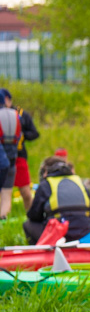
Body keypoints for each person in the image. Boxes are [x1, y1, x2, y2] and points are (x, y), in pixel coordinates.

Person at [24, 156, 90, 244]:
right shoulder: (79, 182)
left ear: (46, 171)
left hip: (59, 236)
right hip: (85, 232)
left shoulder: (46, 185)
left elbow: (34, 215)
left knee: (28, 225)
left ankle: (40, 253)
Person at [0, 89, 40, 212]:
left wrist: (21, 135)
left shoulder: (21, 114)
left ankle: (32, 215)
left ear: (9, 99)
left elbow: (35, 133)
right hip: (4, 158)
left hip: (19, 156)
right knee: (5, 193)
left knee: (25, 191)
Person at [0, 91, 21, 219]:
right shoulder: (15, 115)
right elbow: (19, 135)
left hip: (1, 157)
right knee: (7, 195)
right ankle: (3, 219)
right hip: (12, 158)